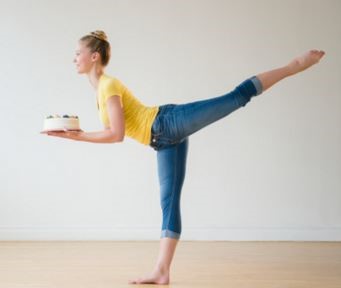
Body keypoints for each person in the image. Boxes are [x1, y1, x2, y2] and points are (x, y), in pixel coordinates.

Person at [42, 30, 325, 285]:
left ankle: (294, 66)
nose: (74, 58)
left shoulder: (108, 85)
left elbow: (115, 134)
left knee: (236, 97)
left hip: (168, 122)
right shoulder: (100, 89)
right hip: (162, 140)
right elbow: (111, 131)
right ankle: (162, 271)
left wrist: (75, 136)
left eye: (77, 53)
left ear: (94, 56)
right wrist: (74, 133)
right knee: (168, 202)